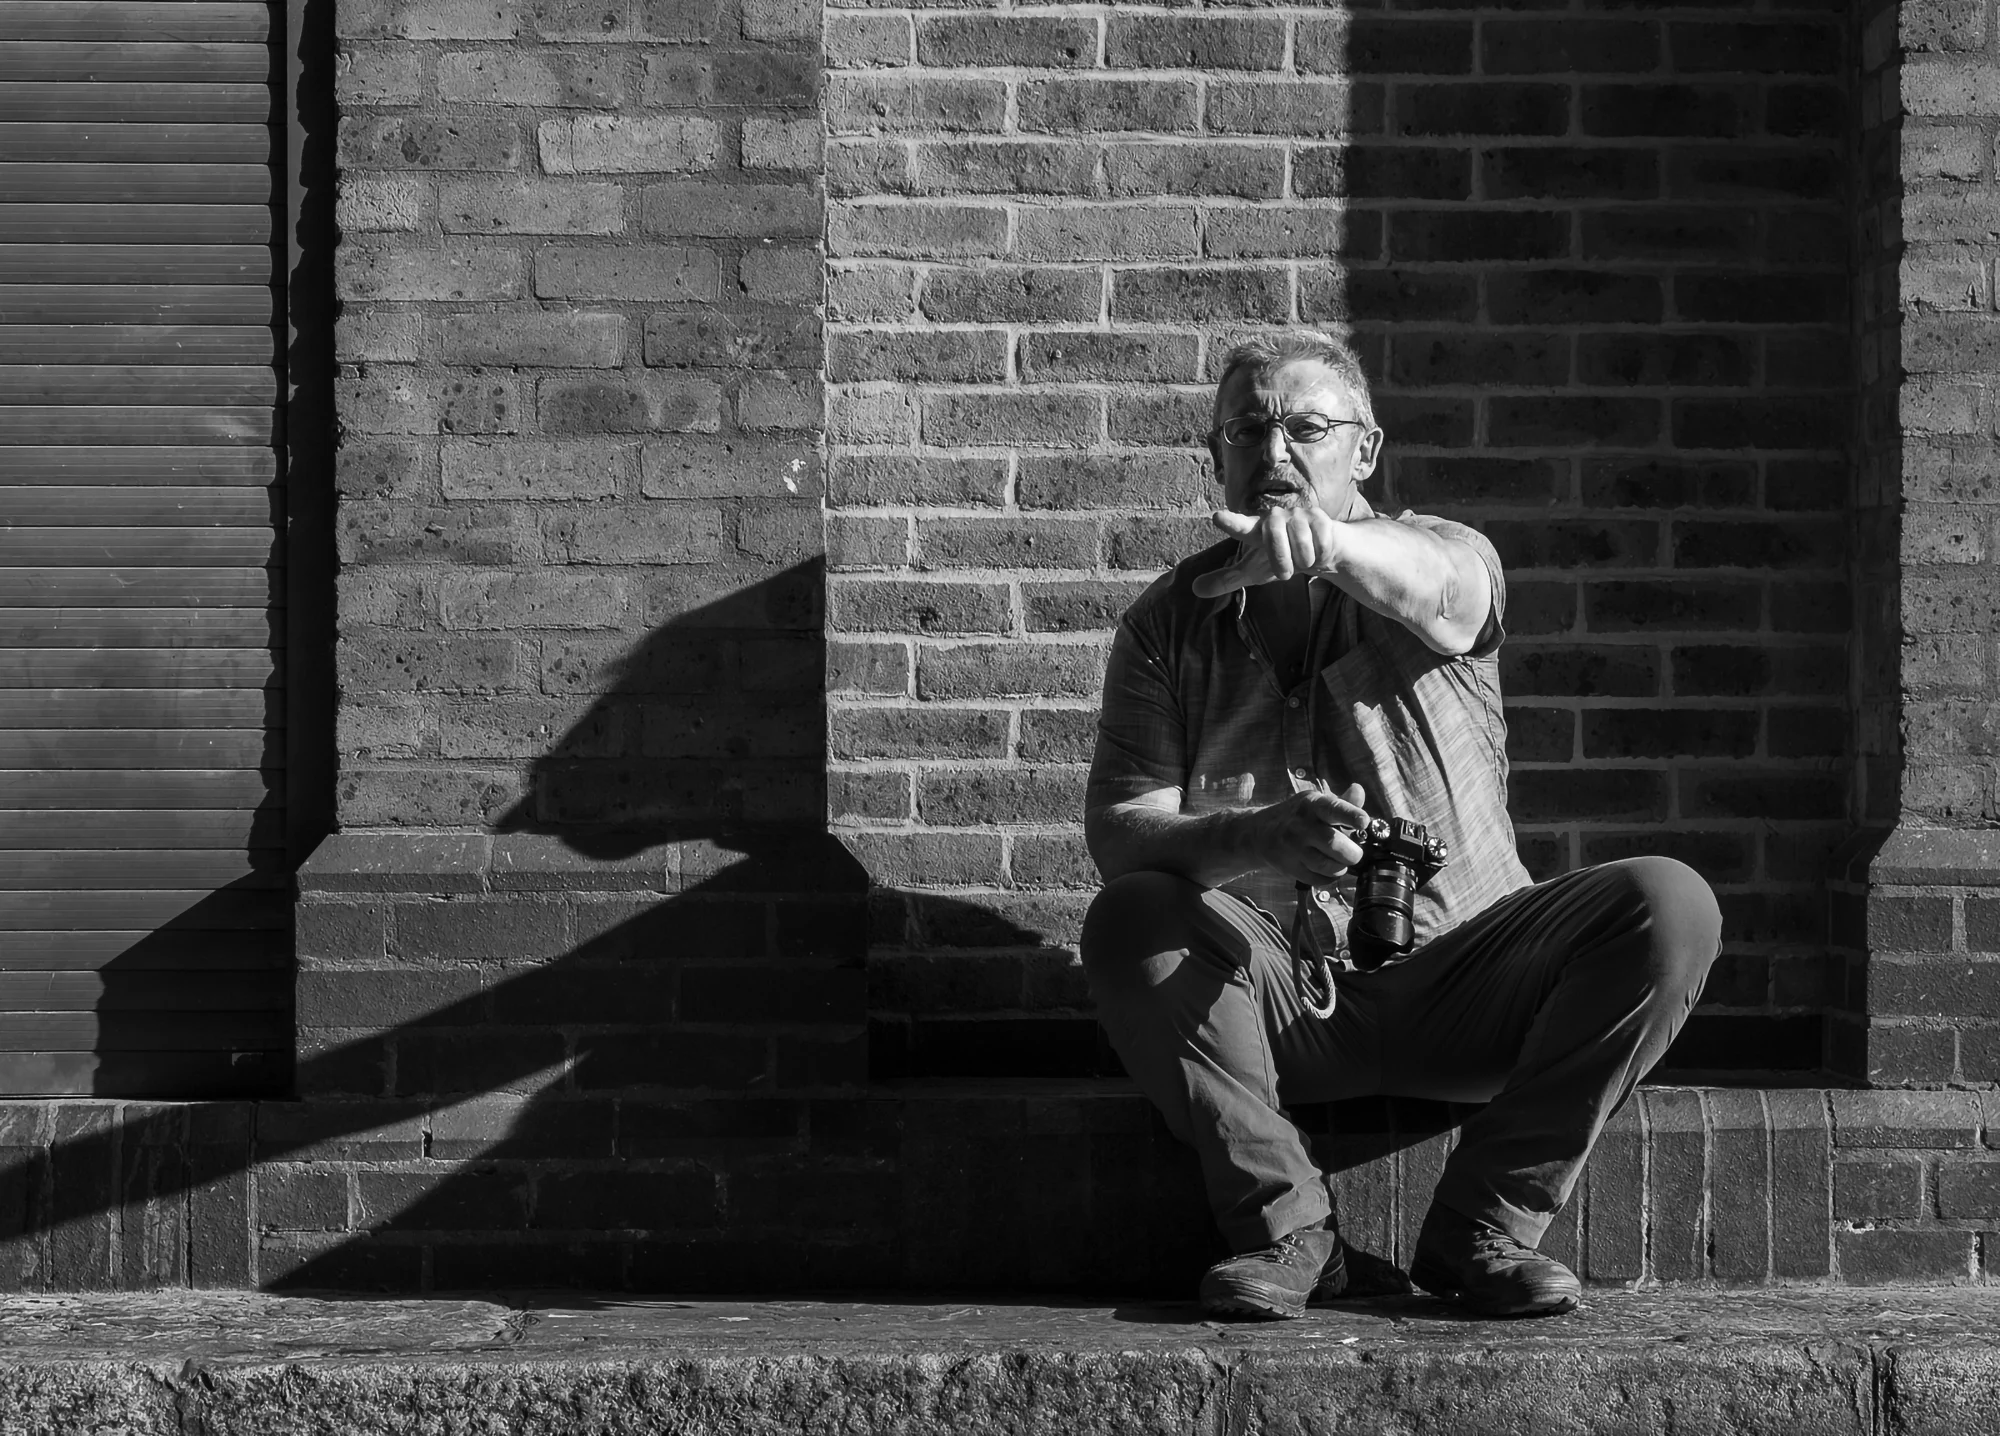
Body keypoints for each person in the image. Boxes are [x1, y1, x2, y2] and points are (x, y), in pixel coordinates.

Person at [1080, 330, 1721, 1320]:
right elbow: (1123, 828)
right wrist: (1256, 834)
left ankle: (1483, 1227)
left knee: (1667, 903)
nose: (1276, 451)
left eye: (1304, 426)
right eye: (1247, 429)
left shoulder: (1445, 557)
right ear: (1215, 456)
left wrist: (1328, 547)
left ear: (1365, 451)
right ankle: (1287, 1234)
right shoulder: (1166, 620)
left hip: (1466, 975)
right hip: (1276, 997)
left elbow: (1449, 598)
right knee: (1131, 913)